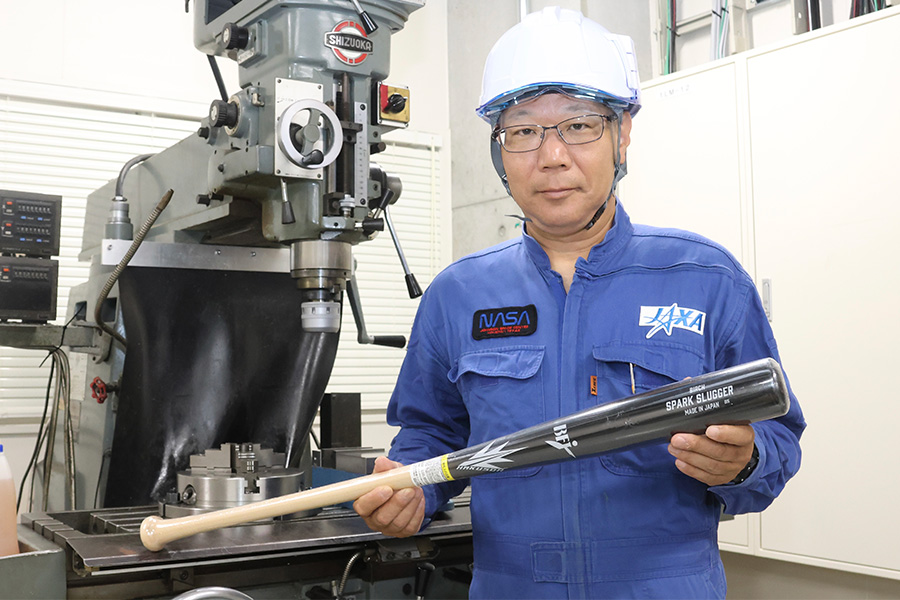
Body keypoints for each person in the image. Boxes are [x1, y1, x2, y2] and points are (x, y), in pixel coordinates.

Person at [353, 7, 805, 598]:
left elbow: (778, 437)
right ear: (499, 150)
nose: (552, 156)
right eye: (523, 131)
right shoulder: (458, 295)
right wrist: (411, 489)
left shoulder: (704, 278)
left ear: (623, 134)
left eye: (579, 125)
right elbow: (431, 435)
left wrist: (744, 462)